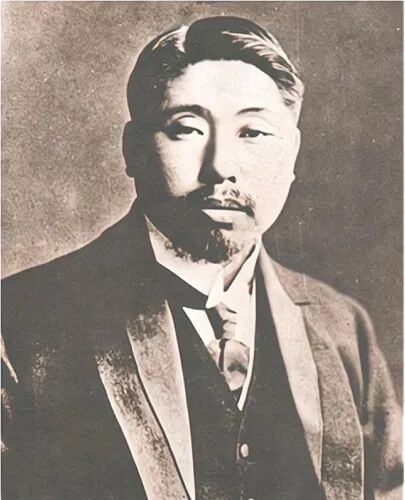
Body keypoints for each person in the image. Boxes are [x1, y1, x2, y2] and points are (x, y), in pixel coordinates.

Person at [1, 16, 402, 500]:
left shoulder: (341, 327)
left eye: (253, 133)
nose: (221, 167)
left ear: (292, 154)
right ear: (134, 149)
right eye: (187, 129)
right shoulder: (19, 324)